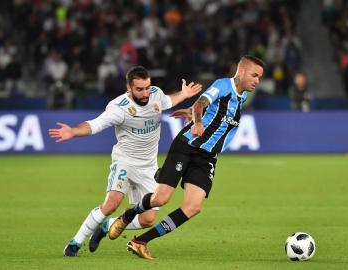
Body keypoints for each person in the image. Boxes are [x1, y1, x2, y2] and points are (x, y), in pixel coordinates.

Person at [107, 55, 264, 259]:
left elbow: (212, 110)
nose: (257, 81)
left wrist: (192, 113)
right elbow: (201, 102)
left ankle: (140, 241)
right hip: (187, 146)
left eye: (260, 77)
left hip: (207, 157)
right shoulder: (224, 85)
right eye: (254, 75)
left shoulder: (242, 97)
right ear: (241, 72)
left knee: (193, 207)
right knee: (160, 199)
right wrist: (197, 121)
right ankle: (129, 214)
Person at [48, 66, 202, 256]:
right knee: (112, 203)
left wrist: (184, 94)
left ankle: (107, 225)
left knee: (148, 220)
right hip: (125, 162)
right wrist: (73, 131)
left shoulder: (155, 95)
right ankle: (75, 243)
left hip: (149, 167)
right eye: (140, 89)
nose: (145, 93)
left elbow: (169, 100)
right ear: (129, 88)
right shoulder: (119, 108)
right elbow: (95, 124)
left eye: (147, 87)